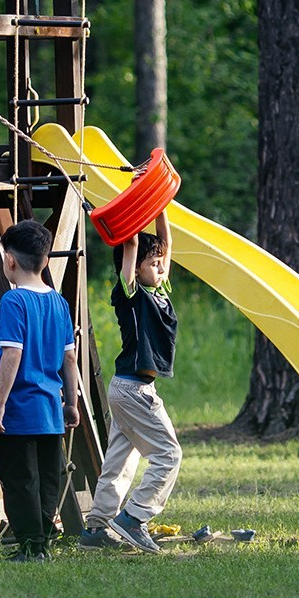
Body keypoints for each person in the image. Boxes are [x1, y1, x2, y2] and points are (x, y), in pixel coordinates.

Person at [79, 209, 182, 554]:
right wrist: (135, 210)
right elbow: (133, 242)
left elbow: (165, 243)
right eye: (153, 263)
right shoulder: (132, 294)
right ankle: (133, 518)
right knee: (168, 455)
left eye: (161, 262)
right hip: (134, 391)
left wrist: (159, 205)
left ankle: (96, 527)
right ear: (135, 267)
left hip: (128, 389)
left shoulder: (160, 290)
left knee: (121, 459)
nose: (161, 266)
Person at [0, 218, 81, 561]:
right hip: (51, 411)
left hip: (19, 411)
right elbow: (69, 360)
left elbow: (13, 353)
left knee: (19, 480)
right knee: (46, 481)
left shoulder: (14, 302)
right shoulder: (59, 303)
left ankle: (30, 546)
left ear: (10, 260)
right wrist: (71, 403)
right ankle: (41, 545)